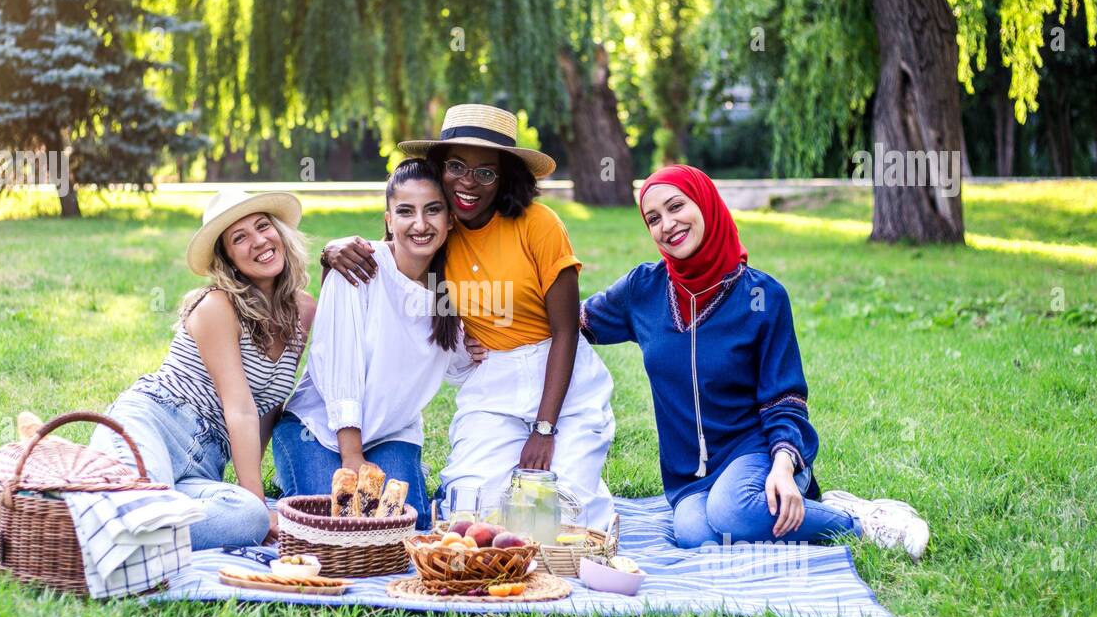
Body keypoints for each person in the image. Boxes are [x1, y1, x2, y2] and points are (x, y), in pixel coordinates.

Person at [0, 189, 316, 550]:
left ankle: (88, 494)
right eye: (239, 238)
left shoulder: (303, 311)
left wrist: (251, 508)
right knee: (214, 512)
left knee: (240, 518)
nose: (258, 241)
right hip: (154, 424)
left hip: (205, 463)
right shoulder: (218, 306)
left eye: (262, 226)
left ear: (278, 230)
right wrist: (258, 505)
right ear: (228, 259)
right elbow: (240, 407)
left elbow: (266, 408)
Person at [579, 164, 930, 558]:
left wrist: (783, 464)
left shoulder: (763, 297)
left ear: (706, 204)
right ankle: (813, 511)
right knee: (699, 537)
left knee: (733, 513)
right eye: (653, 218)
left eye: (677, 206)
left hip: (758, 449)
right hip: (689, 475)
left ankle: (862, 521)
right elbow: (571, 321)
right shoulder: (643, 290)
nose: (667, 224)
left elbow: (785, 400)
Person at [321, 104, 616, 529]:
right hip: (492, 381)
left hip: (560, 379)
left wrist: (545, 428)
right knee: (470, 513)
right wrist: (331, 250)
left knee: (557, 518)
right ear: (440, 168)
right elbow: (394, 248)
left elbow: (567, 331)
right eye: (457, 166)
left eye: (485, 172)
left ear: (505, 176)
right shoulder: (442, 227)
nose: (468, 183)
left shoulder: (539, 224)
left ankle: (583, 482)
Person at [273, 158, 474, 528]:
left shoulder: (451, 289)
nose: (420, 224)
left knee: (406, 530)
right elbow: (339, 364)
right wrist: (352, 457)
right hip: (319, 429)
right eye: (405, 211)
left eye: (433, 210)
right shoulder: (358, 267)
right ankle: (301, 470)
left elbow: (461, 365)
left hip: (391, 432)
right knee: (336, 526)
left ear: (450, 219)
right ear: (388, 220)